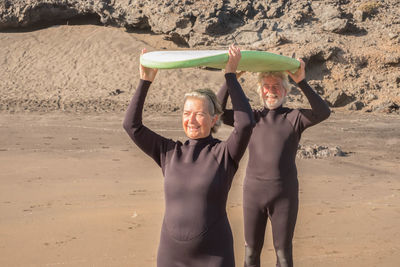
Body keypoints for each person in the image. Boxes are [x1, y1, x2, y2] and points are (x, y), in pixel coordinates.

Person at [123, 45, 254, 267]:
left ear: (214, 120)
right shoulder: (169, 153)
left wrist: (230, 75)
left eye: (200, 114)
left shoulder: (223, 154)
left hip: (214, 255)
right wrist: (145, 81)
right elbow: (131, 126)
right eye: (186, 113)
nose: (191, 120)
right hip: (171, 256)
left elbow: (246, 124)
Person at [217, 59, 331, 267]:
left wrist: (302, 81)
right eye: (266, 87)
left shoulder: (294, 118)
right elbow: (218, 113)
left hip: (284, 196)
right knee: (251, 254)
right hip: (253, 194)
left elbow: (323, 112)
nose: (271, 91)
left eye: (276, 86)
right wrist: (229, 78)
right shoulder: (251, 117)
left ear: (285, 91)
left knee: (284, 256)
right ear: (260, 91)